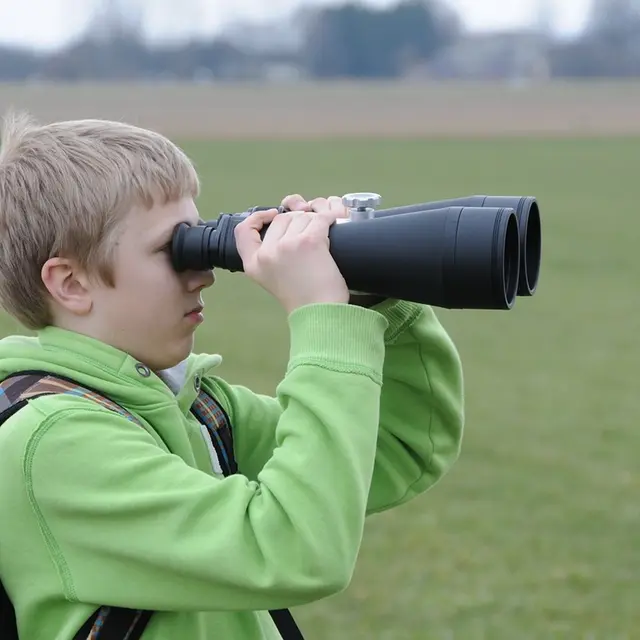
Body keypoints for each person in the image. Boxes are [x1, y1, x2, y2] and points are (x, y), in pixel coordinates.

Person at [0, 112, 465, 640]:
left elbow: (397, 446)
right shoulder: (54, 442)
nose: (203, 273)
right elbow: (293, 551)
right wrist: (324, 320)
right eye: (172, 251)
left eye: (200, 241)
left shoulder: (192, 407)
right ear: (71, 283)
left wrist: (372, 296)